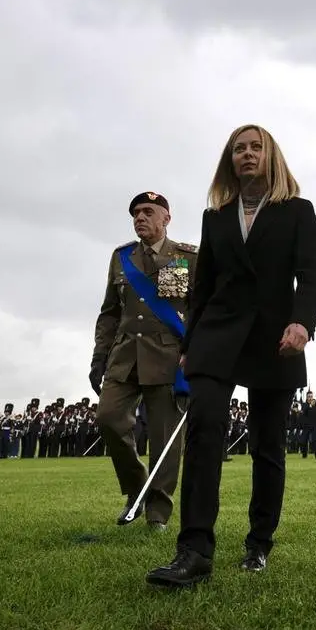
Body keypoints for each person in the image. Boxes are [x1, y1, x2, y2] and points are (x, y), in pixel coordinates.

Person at [146, 124, 316, 589]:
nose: (247, 154)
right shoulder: (216, 216)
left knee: (268, 444)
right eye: (238, 149)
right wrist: (189, 347)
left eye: (255, 147)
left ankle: (258, 544)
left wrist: (302, 323)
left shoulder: (298, 211)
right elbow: (203, 286)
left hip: (275, 334)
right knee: (204, 431)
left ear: (271, 155)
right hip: (216, 335)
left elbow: (311, 274)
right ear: (230, 160)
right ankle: (194, 550)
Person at [90, 191, 198, 531]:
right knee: (108, 418)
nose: (140, 217)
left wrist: (195, 350)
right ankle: (137, 487)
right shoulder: (121, 257)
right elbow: (110, 312)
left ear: (166, 218)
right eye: (136, 212)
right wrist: (99, 356)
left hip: (169, 357)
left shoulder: (187, 257)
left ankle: (157, 514)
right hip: (124, 357)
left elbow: (200, 309)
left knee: (166, 439)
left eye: (148, 211)